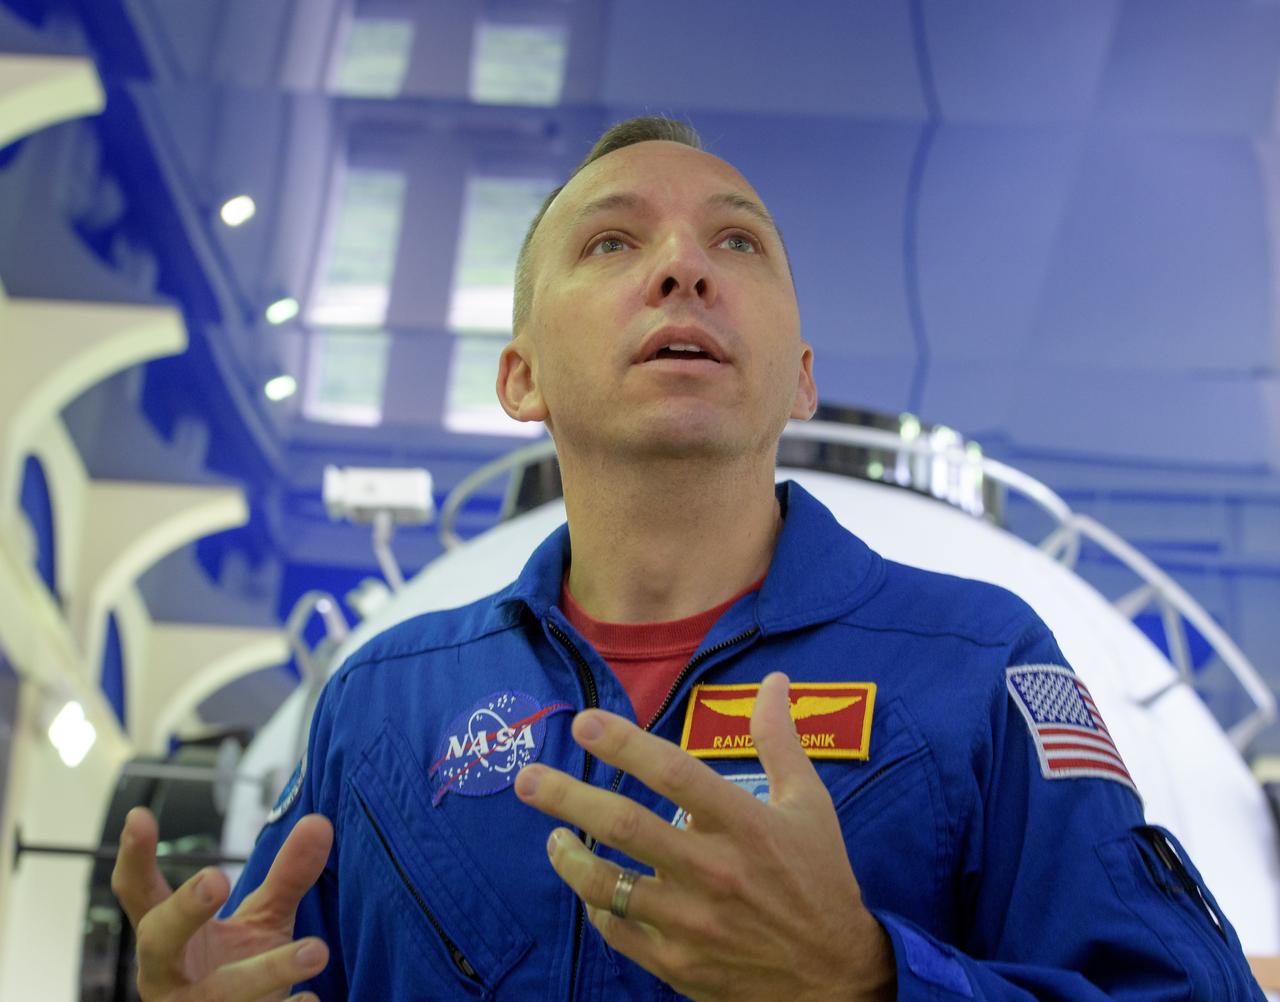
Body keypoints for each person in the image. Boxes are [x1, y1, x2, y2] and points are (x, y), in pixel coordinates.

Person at [111, 116, 1264, 1001]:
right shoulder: (383, 703)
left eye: (737, 241)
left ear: (799, 375)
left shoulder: (978, 663)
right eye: (612, 240)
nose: (681, 268)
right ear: (520, 378)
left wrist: (867, 977)